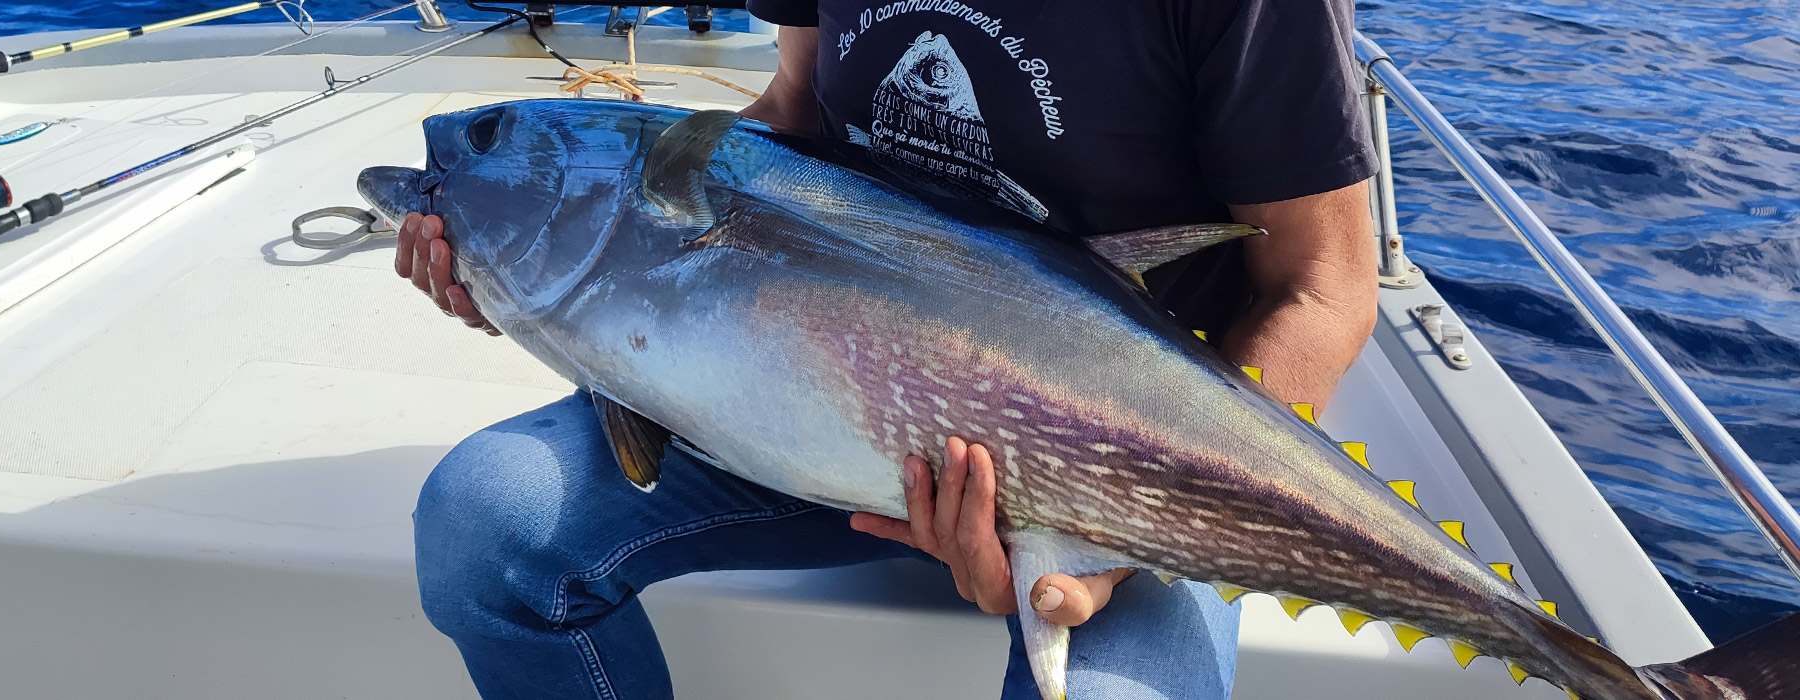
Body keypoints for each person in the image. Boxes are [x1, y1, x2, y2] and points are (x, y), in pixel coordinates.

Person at [402, 0, 1379, 697]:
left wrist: (1108, 546)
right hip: (811, 417)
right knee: (484, 524)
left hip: (1112, 473)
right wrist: (548, 277)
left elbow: (1323, 289)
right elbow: (792, 115)